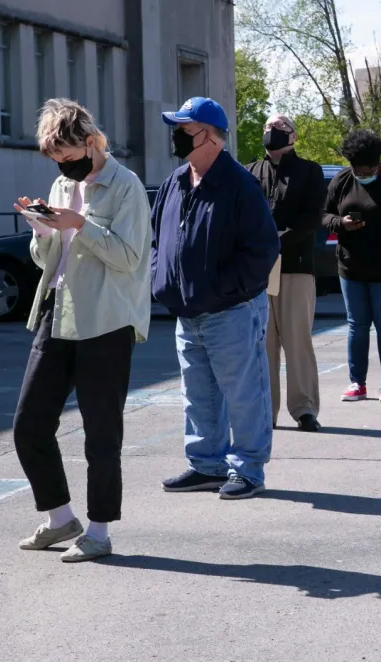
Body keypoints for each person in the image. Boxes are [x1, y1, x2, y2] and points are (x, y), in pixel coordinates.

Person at [12, 99, 152, 563]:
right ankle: (60, 519)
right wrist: (41, 230)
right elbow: (46, 259)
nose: (64, 168)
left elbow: (129, 258)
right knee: (29, 424)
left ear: (91, 142)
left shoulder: (126, 185)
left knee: (101, 433)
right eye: (57, 160)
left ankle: (98, 532)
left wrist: (80, 225)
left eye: (69, 157)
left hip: (106, 321)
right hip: (58, 311)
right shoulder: (60, 183)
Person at [153, 97, 280, 500]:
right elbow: (158, 240)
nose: (176, 136)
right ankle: (206, 465)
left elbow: (262, 250)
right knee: (198, 395)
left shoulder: (239, 184)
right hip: (187, 311)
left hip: (231, 311)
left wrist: (224, 289)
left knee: (244, 394)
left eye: (184, 130)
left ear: (208, 136)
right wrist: (162, 280)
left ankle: (249, 470)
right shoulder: (175, 182)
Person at [247, 114, 326, 433]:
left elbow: (312, 218)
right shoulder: (250, 171)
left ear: (293, 136)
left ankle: (304, 408)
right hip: (259, 270)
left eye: (279, 128)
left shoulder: (310, 171)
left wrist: (275, 240)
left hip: (295, 265)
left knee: (297, 341)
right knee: (262, 344)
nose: (271, 131)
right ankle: (266, 410)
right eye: (267, 127)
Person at [323, 129, 381, 402]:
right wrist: (341, 223)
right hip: (351, 268)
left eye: (367, 171)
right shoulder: (341, 180)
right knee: (357, 326)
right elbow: (324, 214)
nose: (362, 175)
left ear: (377, 164)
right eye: (357, 170)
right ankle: (357, 383)